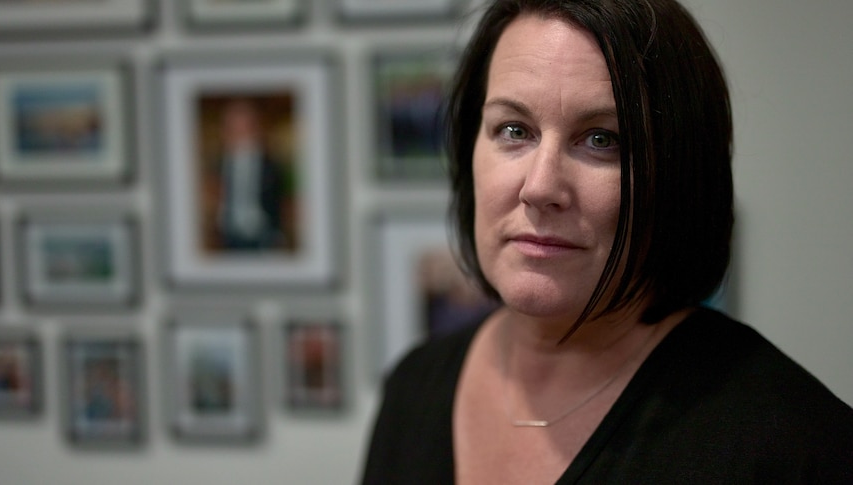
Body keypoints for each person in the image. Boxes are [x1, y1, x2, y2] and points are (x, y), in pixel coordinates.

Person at [360, 0, 853, 483]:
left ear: (678, 174)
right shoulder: (414, 389)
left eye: (602, 139)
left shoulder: (791, 442)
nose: (540, 188)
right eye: (514, 130)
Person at [214, 98, 285, 251]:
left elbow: (279, 200)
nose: (240, 134)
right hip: (227, 235)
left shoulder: (270, 165)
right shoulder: (219, 165)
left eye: (245, 127)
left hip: (263, 235)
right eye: (233, 128)